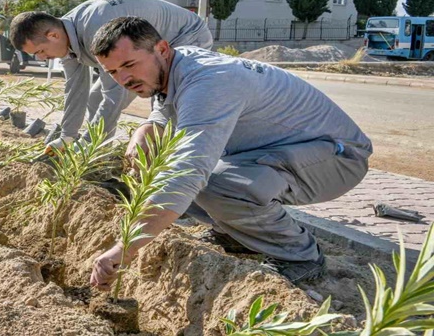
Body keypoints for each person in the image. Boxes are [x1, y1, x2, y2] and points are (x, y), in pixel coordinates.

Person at [87, 17, 372, 286]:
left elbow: (187, 174)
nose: (123, 79)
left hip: (337, 158)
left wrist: (126, 248)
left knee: (212, 183)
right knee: (175, 170)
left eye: (129, 65)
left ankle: (300, 256)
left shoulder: (209, 83)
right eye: (113, 72)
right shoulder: (173, 64)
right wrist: (146, 129)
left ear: (161, 48)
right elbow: (165, 109)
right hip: (280, 152)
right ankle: (238, 234)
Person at [9, 0, 213, 149]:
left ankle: (168, 167)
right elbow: (75, 89)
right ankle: (99, 158)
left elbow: (117, 93)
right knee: (94, 97)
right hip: (141, 50)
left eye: (41, 51)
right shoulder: (66, 36)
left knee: (162, 105)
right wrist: (67, 137)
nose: (42, 58)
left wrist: (86, 145)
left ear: (53, 35)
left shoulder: (95, 30)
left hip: (184, 36)